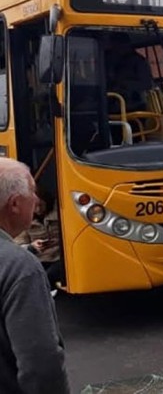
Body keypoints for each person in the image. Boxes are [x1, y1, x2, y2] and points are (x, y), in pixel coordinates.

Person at [0, 158, 69, 394]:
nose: (37, 200)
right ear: (15, 204)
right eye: (32, 191)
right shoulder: (19, 267)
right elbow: (41, 365)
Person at [14, 190, 63, 292]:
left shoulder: (61, 213)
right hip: (39, 258)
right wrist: (32, 246)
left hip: (59, 257)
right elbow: (19, 244)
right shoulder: (25, 220)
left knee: (49, 275)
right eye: (35, 206)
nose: (39, 209)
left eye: (41, 205)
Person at [106, 32, 154, 112]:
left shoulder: (138, 61)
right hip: (112, 105)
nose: (113, 48)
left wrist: (124, 85)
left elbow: (147, 84)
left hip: (134, 107)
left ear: (125, 44)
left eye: (115, 45)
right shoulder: (109, 60)